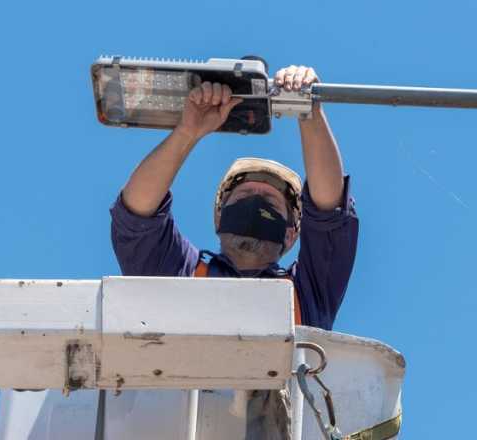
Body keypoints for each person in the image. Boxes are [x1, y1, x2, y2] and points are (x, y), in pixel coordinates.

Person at [109, 64, 357, 331]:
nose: (255, 202)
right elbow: (137, 216)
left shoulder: (310, 292)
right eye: (244, 195)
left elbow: (328, 211)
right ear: (219, 218)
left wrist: (309, 109)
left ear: (289, 234)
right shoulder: (180, 271)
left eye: (270, 203)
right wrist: (187, 132)